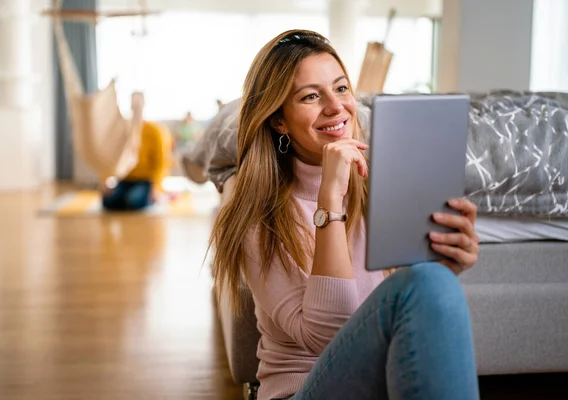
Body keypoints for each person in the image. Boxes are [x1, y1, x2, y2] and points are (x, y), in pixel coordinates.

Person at [210, 30, 481, 400]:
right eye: (310, 96)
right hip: (302, 391)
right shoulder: (257, 216)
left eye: (340, 88)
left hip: (376, 386)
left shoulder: (381, 188)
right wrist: (330, 200)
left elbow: (393, 316)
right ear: (279, 121)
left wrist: (445, 268)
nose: (336, 107)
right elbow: (329, 336)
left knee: (436, 284)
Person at [102, 92, 167, 211]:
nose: (136, 105)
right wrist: (105, 180)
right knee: (107, 201)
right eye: (134, 102)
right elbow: (112, 158)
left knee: (132, 201)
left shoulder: (154, 131)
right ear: (130, 105)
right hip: (124, 179)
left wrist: (156, 187)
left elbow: (161, 162)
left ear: (144, 104)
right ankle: (124, 197)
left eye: (138, 102)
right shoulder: (123, 131)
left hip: (145, 180)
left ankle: (150, 198)